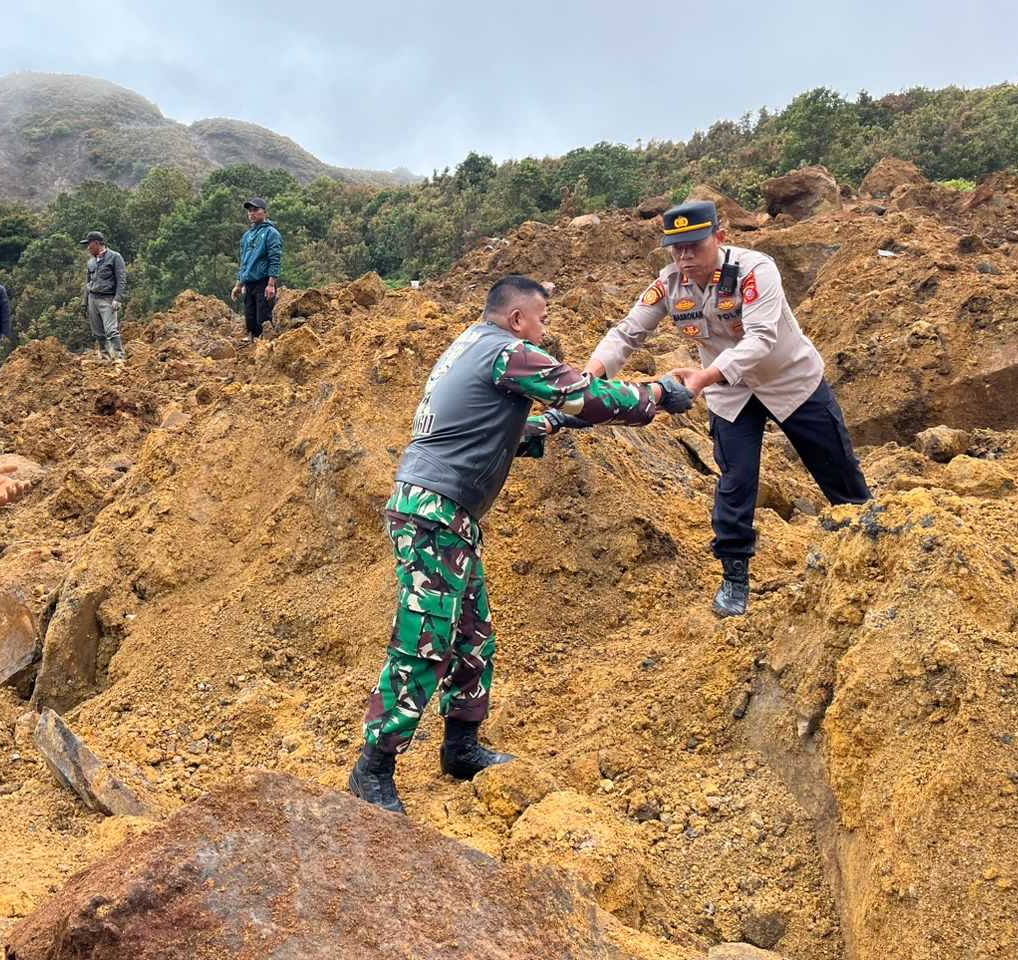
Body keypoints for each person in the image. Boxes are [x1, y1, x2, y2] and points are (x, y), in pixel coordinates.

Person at [348, 275, 694, 814]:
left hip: (442, 511)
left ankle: (461, 747)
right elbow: (584, 392)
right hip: (434, 511)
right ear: (517, 320)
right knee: (425, 640)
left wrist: (549, 423)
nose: (543, 331)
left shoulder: (471, 345)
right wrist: (657, 396)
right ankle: (372, 769)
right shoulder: (508, 352)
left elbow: (488, 424)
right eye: (541, 321)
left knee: (472, 633)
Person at [586, 200, 871, 618]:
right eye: (676, 248)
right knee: (736, 482)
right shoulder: (668, 285)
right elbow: (627, 333)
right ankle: (735, 578)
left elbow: (760, 340)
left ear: (719, 238)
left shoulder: (756, 271)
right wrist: (589, 376)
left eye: (694, 246)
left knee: (837, 469)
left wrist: (702, 378)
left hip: (790, 381)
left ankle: (873, 539)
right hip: (731, 395)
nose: (684, 257)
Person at [231, 197, 283, 342]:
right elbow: (244, 262)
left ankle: (266, 345)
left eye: (255, 210)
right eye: (249, 211)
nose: (252, 213)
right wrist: (238, 284)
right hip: (249, 282)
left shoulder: (271, 233)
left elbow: (275, 259)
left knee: (263, 317)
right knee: (250, 317)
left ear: (264, 212)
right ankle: (251, 346)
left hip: (263, 281)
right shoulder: (247, 236)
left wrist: (271, 284)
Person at [84, 231, 127, 362]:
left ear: (97, 243)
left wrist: (118, 298)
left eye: (89, 245)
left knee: (110, 329)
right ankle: (105, 356)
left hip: (107, 298)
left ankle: (119, 356)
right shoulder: (91, 262)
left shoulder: (115, 257)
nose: (88, 248)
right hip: (93, 298)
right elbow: (88, 283)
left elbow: (121, 279)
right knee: (97, 331)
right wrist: (84, 302)